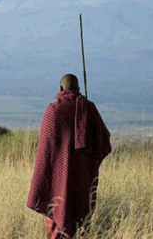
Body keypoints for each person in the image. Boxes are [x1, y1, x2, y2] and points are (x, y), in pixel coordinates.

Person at [26, 74, 112, 238]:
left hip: (59, 178)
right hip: (84, 177)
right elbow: (104, 142)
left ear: (61, 88)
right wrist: (89, 159)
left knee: (57, 215)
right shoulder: (89, 108)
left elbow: (44, 152)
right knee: (81, 219)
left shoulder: (53, 110)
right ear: (78, 88)